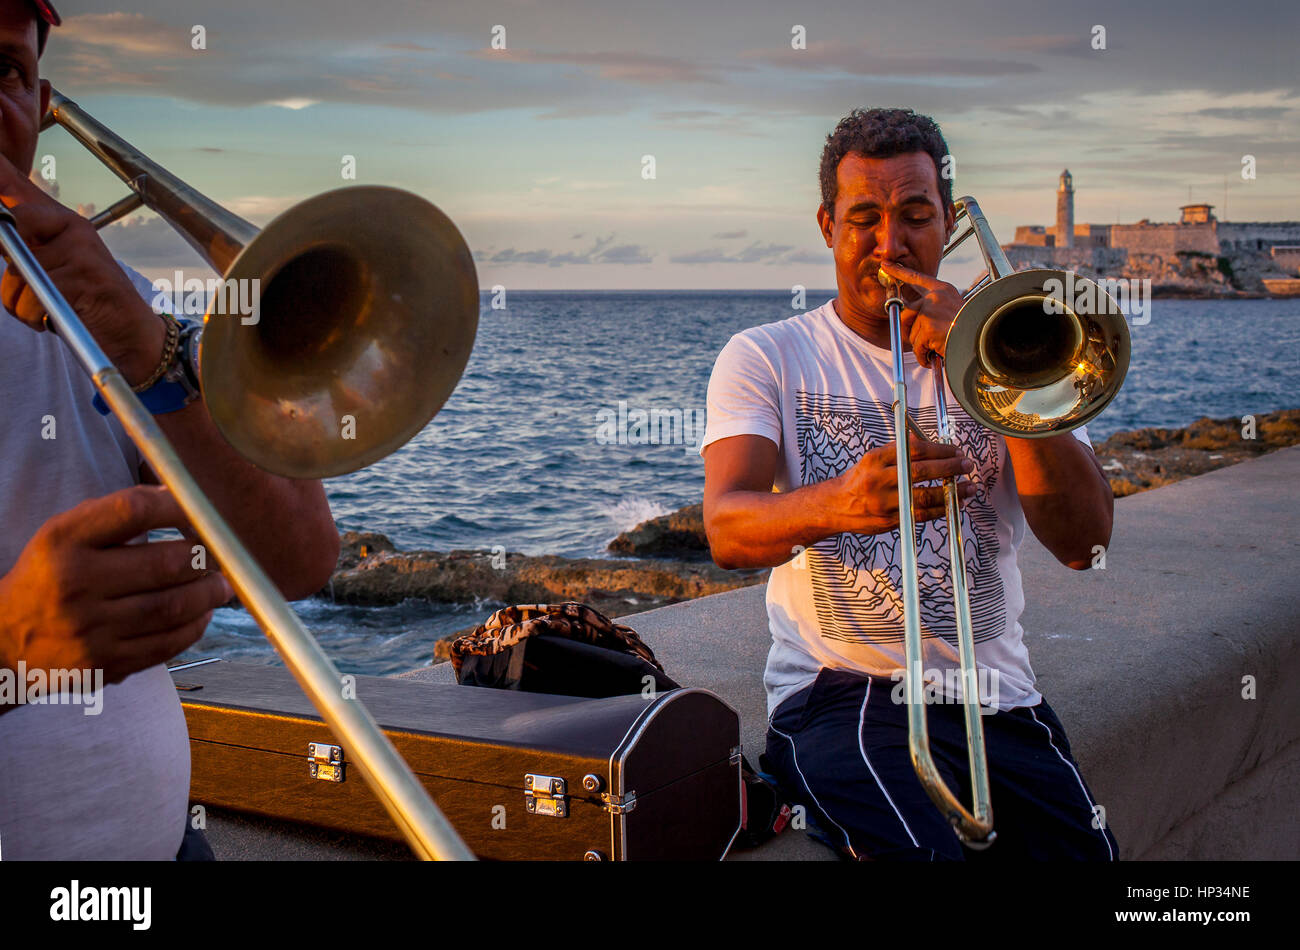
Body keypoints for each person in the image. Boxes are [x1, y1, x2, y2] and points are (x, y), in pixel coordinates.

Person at [700, 107, 1120, 861]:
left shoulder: (1013, 340)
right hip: (841, 694)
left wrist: (992, 370)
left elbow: (1085, 545)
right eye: (863, 218)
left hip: (1001, 696)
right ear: (827, 225)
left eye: (915, 216)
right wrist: (839, 503)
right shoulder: (767, 355)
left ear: (949, 222)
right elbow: (728, 528)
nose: (889, 244)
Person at [0, 0, 340, 859]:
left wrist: (146, 348)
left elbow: (299, 558)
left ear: (41, 106)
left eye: (2, 72)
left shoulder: (108, 300)